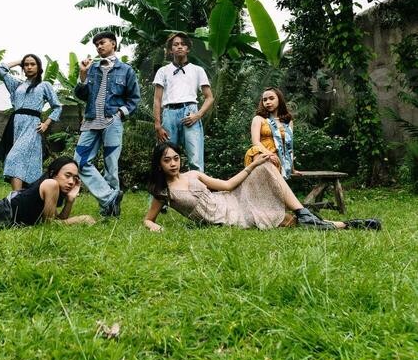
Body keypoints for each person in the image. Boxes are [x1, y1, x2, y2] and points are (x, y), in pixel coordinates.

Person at [143, 142, 381, 231]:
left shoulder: (193, 173)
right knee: (283, 221)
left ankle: (304, 212)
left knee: (265, 166)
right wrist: (154, 227)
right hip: (226, 218)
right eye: (167, 160)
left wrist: (252, 165)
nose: (173, 163)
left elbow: (226, 185)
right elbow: (149, 219)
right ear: (159, 164)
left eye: (176, 158)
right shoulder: (164, 192)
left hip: (229, 199)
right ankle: (346, 225)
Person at [74, 31, 140, 218]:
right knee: (79, 162)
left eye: (102, 43)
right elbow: (80, 95)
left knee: (111, 165)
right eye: (96, 45)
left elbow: (134, 98)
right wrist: (83, 75)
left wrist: (120, 113)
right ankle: (110, 197)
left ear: (113, 44)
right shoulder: (91, 68)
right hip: (91, 121)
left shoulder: (126, 70)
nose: (99, 47)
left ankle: (109, 210)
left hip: (113, 120)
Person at [0, 54, 63, 190]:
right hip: (15, 126)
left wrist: (46, 123)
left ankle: (16, 197)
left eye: (33, 64)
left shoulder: (45, 85)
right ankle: (20, 198)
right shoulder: (16, 85)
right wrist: (19, 61)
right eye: (26, 65)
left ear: (39, 67)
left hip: (32, 126)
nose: (29, 67)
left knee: (13, 158)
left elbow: (57, 106)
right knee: (20, 161)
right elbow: (0, 70)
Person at [153, 33, 214, 171]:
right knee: (165, 155)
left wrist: (198, 115)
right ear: (170, 50)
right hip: (169, 114)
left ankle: (198, 191)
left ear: (188, 49)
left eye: (183, 44)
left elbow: (209, 97)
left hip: (190, 112)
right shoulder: (163, 71)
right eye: (175, 44)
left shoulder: (198, 70)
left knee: (195, 158)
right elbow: (157, 99)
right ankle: (163, 190)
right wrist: (158, 125)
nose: (179, 46)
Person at [245, 88, 296, 179]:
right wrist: (270, 155)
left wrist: (292, 169)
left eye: (271, 98)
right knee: (260, 155)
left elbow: (289, 146)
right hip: (262, 154)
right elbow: (255, 142)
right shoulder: (259, 119)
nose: (268, 102)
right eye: (265, 100)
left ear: (279, 100)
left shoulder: (288, 122)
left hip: (279, 158)